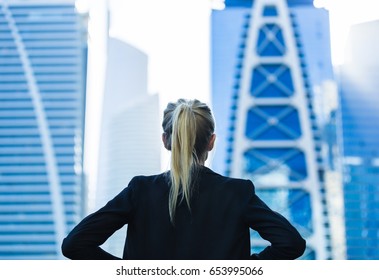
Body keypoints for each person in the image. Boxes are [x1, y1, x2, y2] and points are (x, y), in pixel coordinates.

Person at [61, 98, 306, 260]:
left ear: (166, 141)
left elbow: (75, 245)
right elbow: (291, 243)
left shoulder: (141, 191)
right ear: (211, 142)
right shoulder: (237, 192)